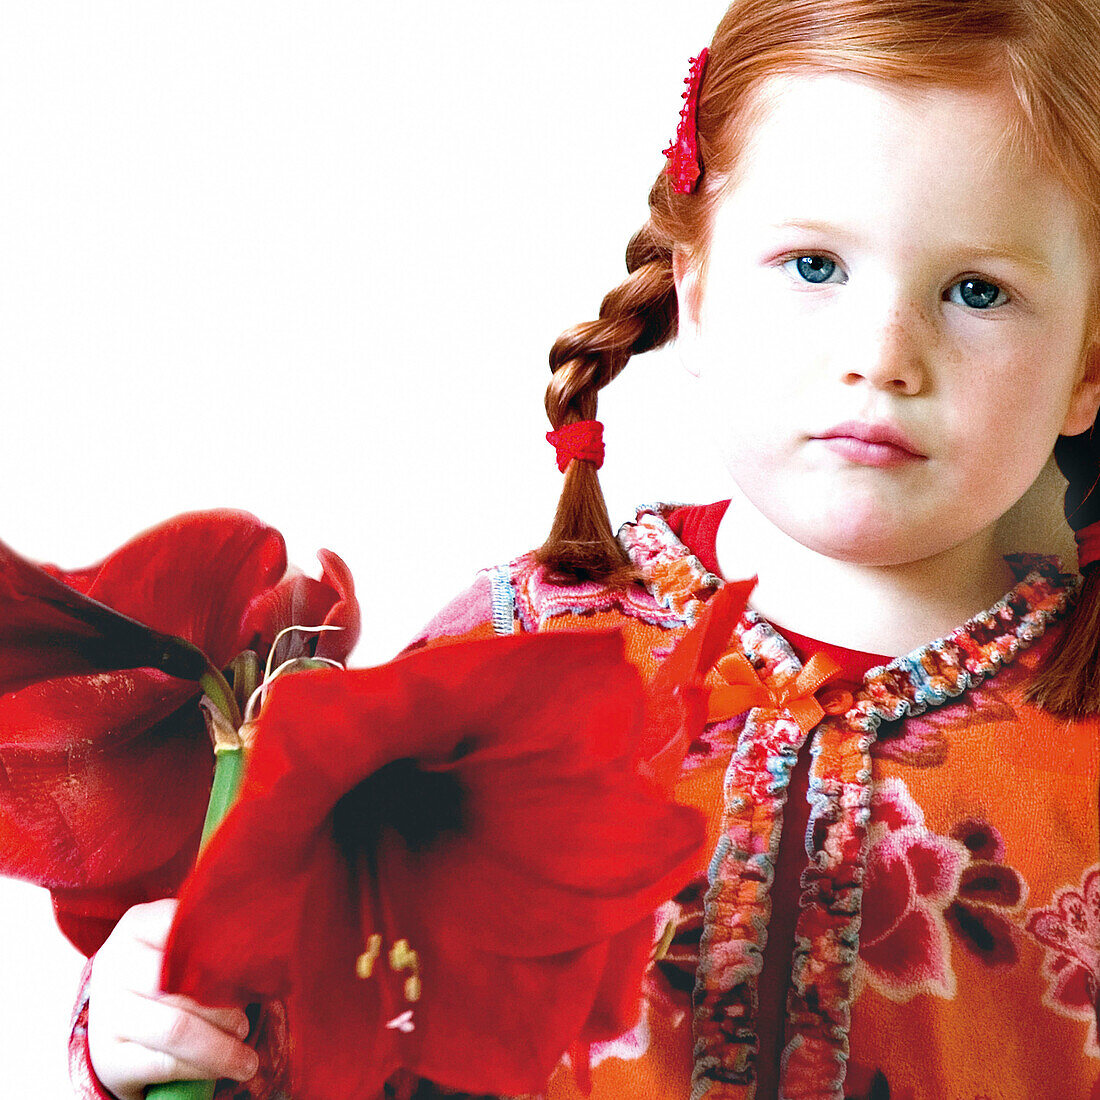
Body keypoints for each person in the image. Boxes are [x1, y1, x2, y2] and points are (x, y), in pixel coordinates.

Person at [72, 1, 1100, 1097]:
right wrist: (149, 1021)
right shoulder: (504, 654)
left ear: (1087, 364)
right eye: (812, 266)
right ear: (692, 296)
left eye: (976, 290)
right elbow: (303, 998)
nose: (881, 353)